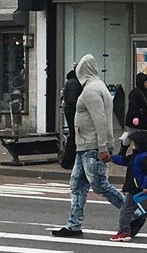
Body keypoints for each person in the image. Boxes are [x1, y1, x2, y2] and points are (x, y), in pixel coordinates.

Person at [54, 54, 128, 237]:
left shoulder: (91, 90)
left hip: (92, 146)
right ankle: (73, 225)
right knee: (78, 184)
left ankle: (134, 213)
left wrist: (103, 147)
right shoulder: (98, 86)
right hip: (85, 146)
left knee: (100, 184)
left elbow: (100, 120)